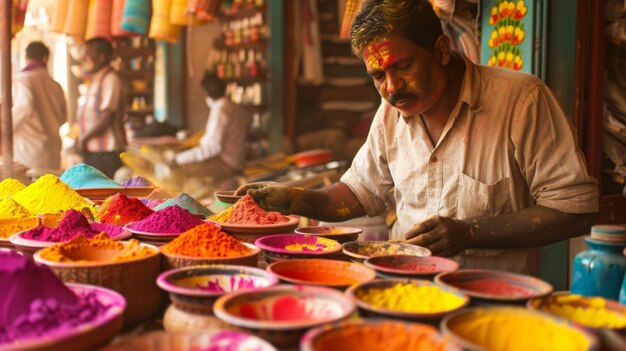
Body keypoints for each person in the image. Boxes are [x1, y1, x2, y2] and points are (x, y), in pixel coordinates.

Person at [236, 0, 599, 274]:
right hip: (404, 291)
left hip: (491, 302)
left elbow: (574, 211)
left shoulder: (521, 101)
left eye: (403, 67)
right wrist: (294, 199)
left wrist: (469, 233)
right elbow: (359, 193)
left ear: (441, 50)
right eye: (378, 75)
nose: (392, 88)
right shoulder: (391, 114)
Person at [169, 72, 253, 186]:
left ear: (206, 92)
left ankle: (183, 202)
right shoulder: (232, 106)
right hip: (235, 160)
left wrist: (178, 159)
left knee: (179, 170)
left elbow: (213, 148)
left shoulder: (221, 109)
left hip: (227, 163)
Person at [12, 41, 66, 170]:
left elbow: (24, 107)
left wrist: (5, 129)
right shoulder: (56, 85)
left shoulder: (23, 79)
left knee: (30, 189)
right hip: (53, 150)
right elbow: (63, 118)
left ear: (26, 58)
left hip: (29, 153)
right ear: (45, 59)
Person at [77, 37, 126, 178]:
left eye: (88, 54)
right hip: (94, 151)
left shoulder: (110, 79)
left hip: (106, 153)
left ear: (102, 57)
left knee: (104, 197)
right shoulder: (96, 79)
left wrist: (83, 139)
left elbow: (106, 118)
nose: (83, 57)